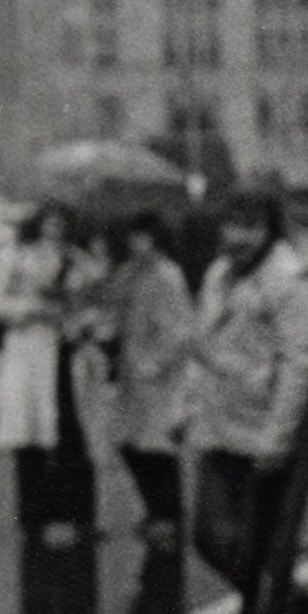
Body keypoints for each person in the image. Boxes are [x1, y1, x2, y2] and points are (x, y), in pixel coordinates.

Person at [189, 179, 308, 614]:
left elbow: (300, 365)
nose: (237, 237)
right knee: (210, 537)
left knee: (259, 545)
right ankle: (292, 605)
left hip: (263, 429)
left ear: (271, 229)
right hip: (219, 426)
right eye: (232, 225)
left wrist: (278, 437)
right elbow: (204, 346)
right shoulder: (218, 275)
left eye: (250, 227)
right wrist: (188, 407)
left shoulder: (290, 279)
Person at [0, 207, 101, 614]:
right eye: (49, 222)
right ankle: (33, 517)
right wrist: (31, 308)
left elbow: (93, 303)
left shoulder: (82, 260)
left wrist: (78, 318)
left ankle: (75, 515)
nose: (56, 229)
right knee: (29, 439)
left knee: (72, 437)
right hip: (28, 352)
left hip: (66, 353)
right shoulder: (17, 256)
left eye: (62, 222)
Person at [108, 209, 197, 551]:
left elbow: (181, 330)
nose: (137, 244)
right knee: (129, 443)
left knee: (157, 447)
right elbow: (113, 308)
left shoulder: (167, 275)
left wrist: (157, 363)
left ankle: (167, 516)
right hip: (132, 372)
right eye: (134, 237)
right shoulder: (130, 273)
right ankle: (154, 510)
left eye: (144, 237)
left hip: (159, 374)